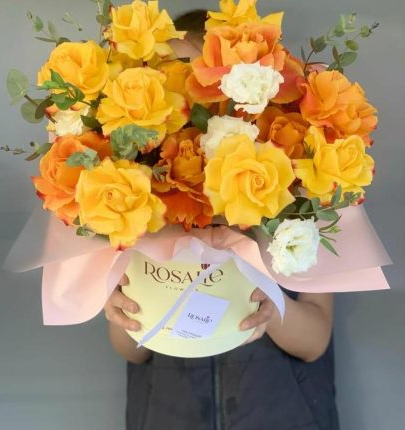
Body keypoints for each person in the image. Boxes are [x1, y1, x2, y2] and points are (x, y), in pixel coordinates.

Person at [104, 10, 340, 430]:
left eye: (207, 86)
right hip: (167, 415)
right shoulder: (133, 199)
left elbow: (315, 340)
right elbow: (131, 350)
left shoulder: (289, 194)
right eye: (175, 82)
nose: (192, 107)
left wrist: (273, 307)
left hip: (281, 414)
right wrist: (118, 310)